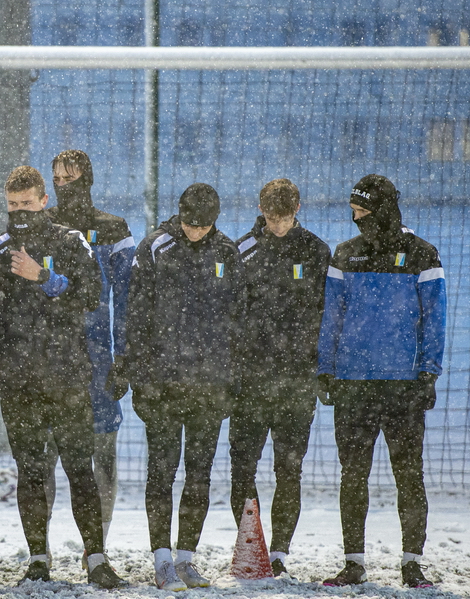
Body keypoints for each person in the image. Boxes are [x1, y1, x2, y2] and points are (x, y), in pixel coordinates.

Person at [0, 165, 127, 589]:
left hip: (68, 380)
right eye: (13, 204)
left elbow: (92, 295)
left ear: (44, 201)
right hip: (18, 385)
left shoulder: (70, 242)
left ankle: (95, 559)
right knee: (31, 472)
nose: (20, 210)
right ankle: (38, 558)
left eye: (27, 202)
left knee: (79, 470)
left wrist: (45, 278)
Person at [317, 174, 446, 589]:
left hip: (404, 386)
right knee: (352, 475)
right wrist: (326, 368)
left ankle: (412, 563)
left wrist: (429, 372)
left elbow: (435, 318)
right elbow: (331, 318)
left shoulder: (423, 254)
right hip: (353, 385)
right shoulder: (344, 255)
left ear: (385, 211)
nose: (357, 221)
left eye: (364, 214)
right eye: (354, 214)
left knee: (409, 475)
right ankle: (354, 562)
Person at [126, 183, 240, 591]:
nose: (196, 232)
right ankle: (162, 561)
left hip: (209, 387)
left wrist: (230, 380)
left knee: (199, 474)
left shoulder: (227, 252)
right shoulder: (155, 247)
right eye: (190, 224)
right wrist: (137, 376)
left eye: (204, 226)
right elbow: (135, 313)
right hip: (163, 385)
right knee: (161, 472)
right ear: (179, 215)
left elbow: (236, 320)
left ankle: (187, 559)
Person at [229, 178, 330, 578]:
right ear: (261, 211)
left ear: (298, 210)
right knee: (243, 467)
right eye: (271, 218)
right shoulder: (242, 251)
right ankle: (249, 544)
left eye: (284, 218)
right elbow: (231, 317)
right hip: (251, 383)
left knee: (289, 469)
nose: (278, 226)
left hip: (296, 382)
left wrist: (321, 370)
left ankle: (281, 552)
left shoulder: (317, 252)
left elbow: (328, 314)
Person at [43, 149, 135, 560]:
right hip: (48, 360)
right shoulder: (42, 227)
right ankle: (38, 549)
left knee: (104, 454)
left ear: (88, 179)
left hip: (98, 362)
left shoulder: (113, 229)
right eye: (57, 179)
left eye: (71, 178)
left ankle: (96, 547)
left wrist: (124, 359)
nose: (64, 186)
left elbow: (127, 301)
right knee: (43, 456)